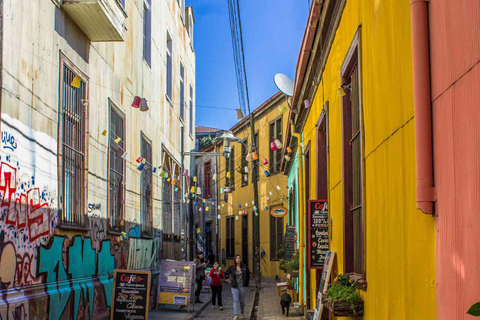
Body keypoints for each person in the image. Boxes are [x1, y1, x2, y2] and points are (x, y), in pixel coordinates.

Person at [226, 255, 250, 320]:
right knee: (235, 300)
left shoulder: (244, 267)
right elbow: (226, 273)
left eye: (239, 258)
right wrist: (227, 279)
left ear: (241, 259)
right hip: (234, 286)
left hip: (242, 286)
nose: (238, 259)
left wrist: (246, 284)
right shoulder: (232, 267)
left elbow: (248, 275)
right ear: (235, 259)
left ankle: (242, 313)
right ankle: (236, 315)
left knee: (242, 300)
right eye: (236, 258)